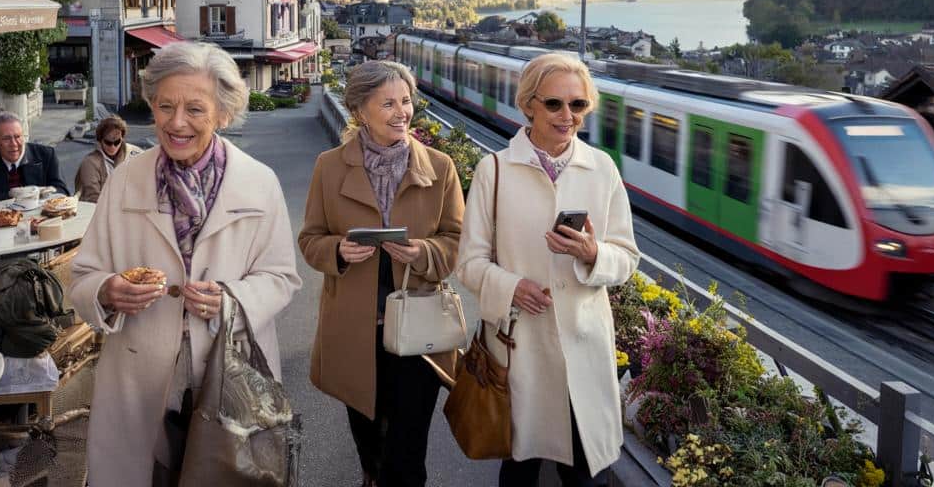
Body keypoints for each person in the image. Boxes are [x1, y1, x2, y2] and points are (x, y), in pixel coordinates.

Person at [68, 41, 301, 487]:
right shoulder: (123, 181)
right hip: (141, 374)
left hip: (229, 374)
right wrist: (105, 291)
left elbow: (281, 278)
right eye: (165, 106)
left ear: (224, 113)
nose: (176, 123)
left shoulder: (258, 182)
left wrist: (232, 298)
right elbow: (83, 276)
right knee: (150, 472)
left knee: (226, 474)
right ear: (151, 106)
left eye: (195, 109)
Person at [456, 53, 640, 487]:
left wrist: (594, 254)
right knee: (518, 469)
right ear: (529, 105)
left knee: (586, 474)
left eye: (578, 105)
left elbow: (628, 258)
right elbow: (469, 262)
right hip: (520, 348)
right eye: (555, 104)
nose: (567, 116)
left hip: (584, 347)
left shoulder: (603, 168)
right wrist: (511, 286)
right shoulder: (494, 170)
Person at [299, 60, 464, 487]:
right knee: (370, 445)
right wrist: (338, 250)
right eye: (387, 103)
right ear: (359, 111)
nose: (401, 112)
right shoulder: (329, 166)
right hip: (356, 333)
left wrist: (422, 251)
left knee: (407, 457)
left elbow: (457, 242)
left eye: (406, 101)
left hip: (419, 335)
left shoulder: (441, 168)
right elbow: (310, 240)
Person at [0, 112, 70, 203]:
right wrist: (11, 196)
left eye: (17, 137)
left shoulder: (46, 155)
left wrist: (40, 193)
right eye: (6, 138)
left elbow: (63, 191)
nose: (14, 144)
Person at [74, 115, 142, 203]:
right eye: (108, 142)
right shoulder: (89, 163)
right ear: (100, 140)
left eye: (117, 142)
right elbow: (92, 197)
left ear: (122, 139)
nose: (113, 147)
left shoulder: (135, 154)